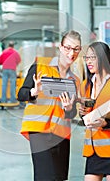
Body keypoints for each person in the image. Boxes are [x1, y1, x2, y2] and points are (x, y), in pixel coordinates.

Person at [17, 30, 82, 181]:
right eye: (67, 48)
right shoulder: (41, 65)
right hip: (39, 129)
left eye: (76, 49)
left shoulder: (75, 80)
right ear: (60, 47)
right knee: (45, 176)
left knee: (59, 177)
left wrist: (68, 108)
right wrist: (34, 91)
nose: (71, 53)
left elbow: (71, 114)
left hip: (61, 133)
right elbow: (21, 94)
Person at [79, 41, 110, 181]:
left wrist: (104, 123)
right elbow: (86, 115)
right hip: (93, 150)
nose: (88, 61)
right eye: (87, 58)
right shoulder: (85, 86)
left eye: (93, 57)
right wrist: (82, 113)